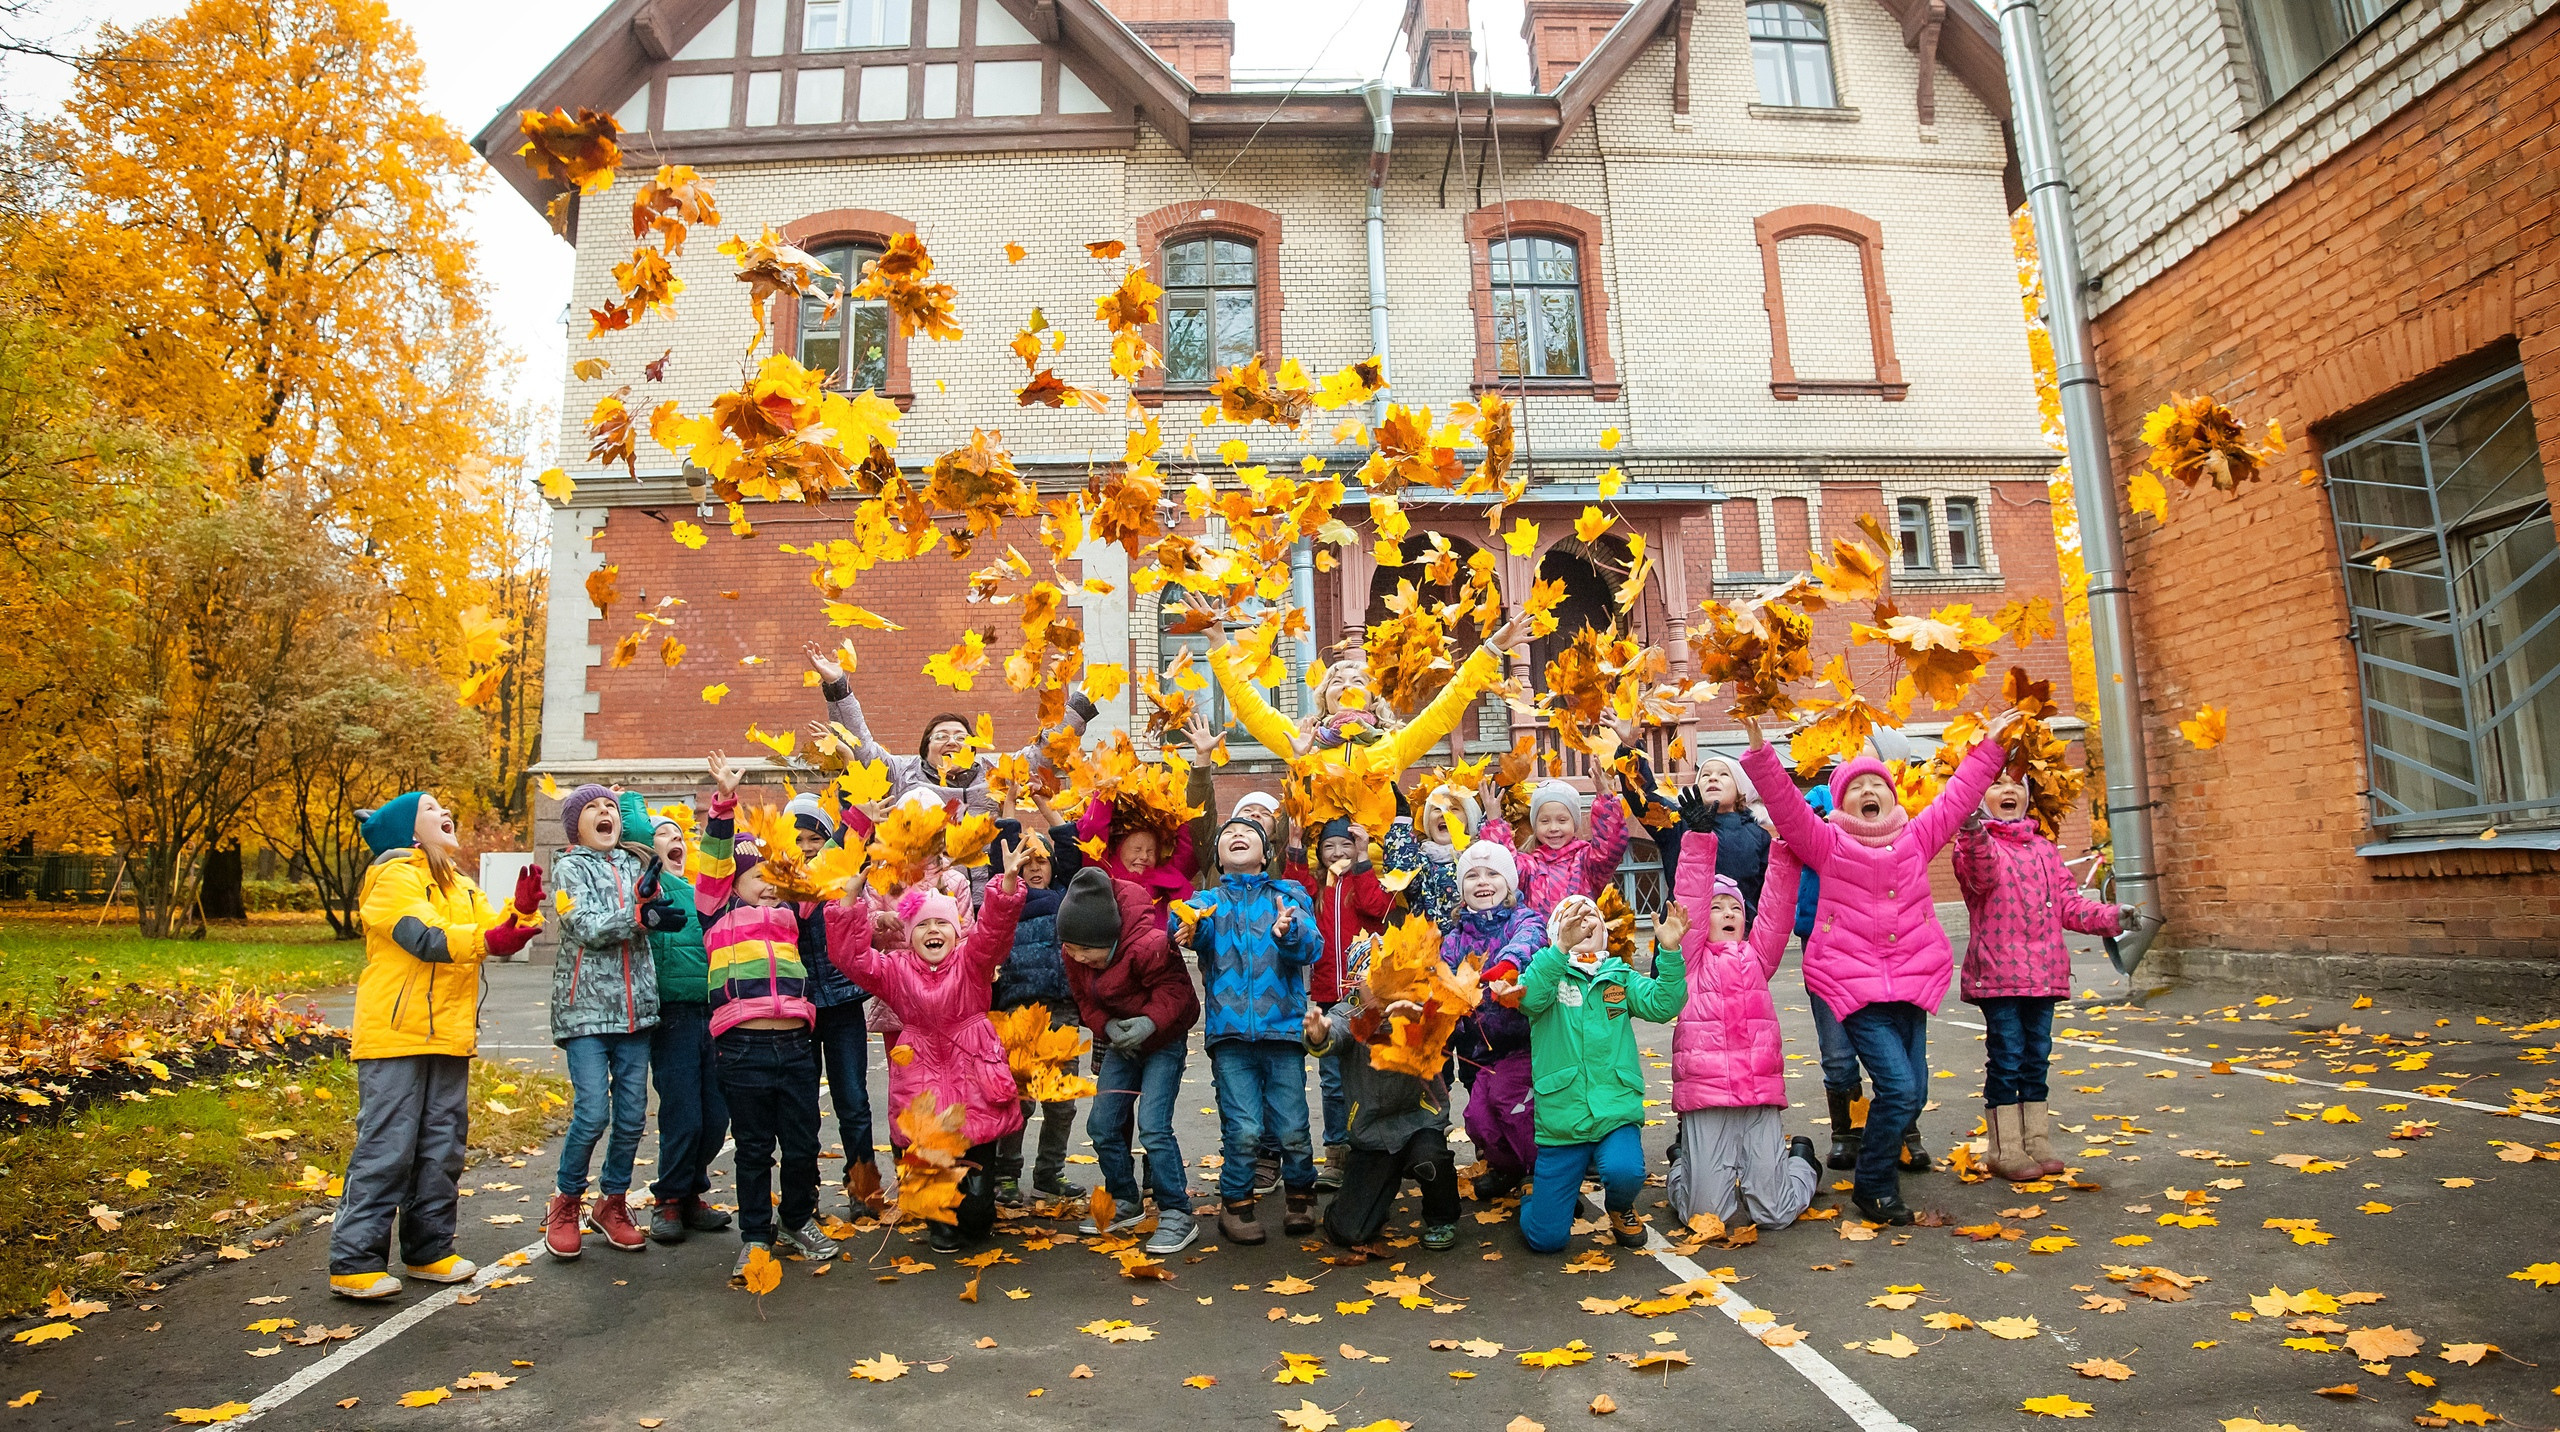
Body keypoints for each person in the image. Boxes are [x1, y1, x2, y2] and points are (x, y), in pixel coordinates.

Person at [1739, 709, 2022, 1225]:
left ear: (1892, 796)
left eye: (1878, 784)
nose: (1870, 791)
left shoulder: (1917, 839)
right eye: (1857, 786)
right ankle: (1873, 1186)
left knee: (1916, 1092)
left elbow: (1957, 799)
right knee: (1899, 1087)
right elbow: (1786, 808)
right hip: (1856, 990)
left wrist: (1991, 749)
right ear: (1841, 800)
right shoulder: (1827, 843)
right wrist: (1761, 756)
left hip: (1911, 986)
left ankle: (1877, 1162)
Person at [330, 792, 541, 1300]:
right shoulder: (391, 879)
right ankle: (354, 1260)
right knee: (388, 1147)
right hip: (395, 1035)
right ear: (407, 830)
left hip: (448, 1035)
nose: (444, 810)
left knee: (442, 1145)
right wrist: (492, 938)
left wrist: (521, 913)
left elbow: (490, 928)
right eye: (429, 807)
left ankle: (428, 1249)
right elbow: (426, 937)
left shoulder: (462, 885)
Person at [693, 755, 854, 1275]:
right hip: (742, 1048)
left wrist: (858, 816)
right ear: (734, 882)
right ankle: (756, 1235)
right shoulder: (716, 912)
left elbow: (829, 861)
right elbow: (716, 861)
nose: (769, 884)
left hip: (794, 1046)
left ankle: (797, 1217)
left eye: (776, 875)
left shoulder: (792, 910)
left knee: (804, 1142)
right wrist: (723, 805)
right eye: (758, 876)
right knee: (754, 1148)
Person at [835, 841, 1035, 1251]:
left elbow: (994, 934)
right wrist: (850, 901)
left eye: (941, 924)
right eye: (923, 925)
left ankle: (977, 1204)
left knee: (977, 1205)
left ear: (956, 930)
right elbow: (851, 958)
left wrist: (1008, 883)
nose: (933, 931)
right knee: (931, 1160)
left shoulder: (972, 961)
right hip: (921, 1074)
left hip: (973, 1070)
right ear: (909, 936)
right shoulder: (894, 970)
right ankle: (937, 1213)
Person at [1953, 768, 2134, 1181]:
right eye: (1996, 784)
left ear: (2028, 794)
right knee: (2007, 1058)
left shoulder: (2045, 850)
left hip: (2045, 973)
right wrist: (1971, 828)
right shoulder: (1975, 847)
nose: (2008, 790)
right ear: (1981, 798)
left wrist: (2112, 916)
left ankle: (2036, 1139)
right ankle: (2005, 1147)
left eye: (2016, 783)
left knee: (2036, 1059)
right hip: (1999, 975)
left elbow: (2070, 904)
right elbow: (1981, 876)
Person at [1656, 837, 1821, 1231]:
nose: (1728, 912)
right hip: (1707, 1097)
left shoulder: (1757, 958)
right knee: (1705, 1219)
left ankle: (1800, 1161)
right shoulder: (1691, 961)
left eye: (1734, 908)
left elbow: (1777, 910)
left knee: (1775, 1214)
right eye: (1716, 908)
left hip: (1757, 1094)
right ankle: (1683, 1163)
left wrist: (1785, 849)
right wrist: (1696, 843)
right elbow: (1691, 899)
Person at [1175, 815, 1322, 1246]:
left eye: (1249, 833)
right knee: (1243, 1129)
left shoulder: (1288, 894)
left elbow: (1312, 946)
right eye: (1228, 835)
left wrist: (1289, 931)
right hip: (1231, 1036)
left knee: (1293, 1126)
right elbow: (1185, 925)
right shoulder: (1208, 902)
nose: (1238, 836)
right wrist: (1187, 927)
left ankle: (1300, 1196)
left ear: (1266, 852)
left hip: (1283, 1032)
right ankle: (1236, 1204)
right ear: (1218, 857)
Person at [1514, 894, 1684, 1254]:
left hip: (1614, 1108)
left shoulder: (1618, 976)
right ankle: (1533, 1196)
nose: (1585, 922)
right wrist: (1560, 948)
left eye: (1591, 915)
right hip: (1563, 1119)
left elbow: (1663, 1004)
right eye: (1573, 917)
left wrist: (1668, 953)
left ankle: (1620, 1206)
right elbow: (1529, 999)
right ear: (1556, 932)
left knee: (1625, 1171)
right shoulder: (1547, 973)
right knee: (1546, 1240)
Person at [547, 784, 669, 1258]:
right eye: (593, 807)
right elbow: (584, 926)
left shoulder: (636, 864)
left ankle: (612, 1202)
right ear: (574, 824)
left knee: (633, 1116)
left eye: (611, 808)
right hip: (585, 1013)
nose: (605, 813)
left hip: (636, 1013)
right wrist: (640, 915)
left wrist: (657, 913)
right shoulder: (568, 868)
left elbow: (650, 909)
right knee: (594, 1110)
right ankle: (567, 1199)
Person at [1057, 866, 1203, 1255]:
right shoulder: (1074, 949)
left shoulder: (1150, 945)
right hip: (1121, 1042)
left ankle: (1177, 1211)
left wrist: (1149, 1023)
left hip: (1163, 1043)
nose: (1078, 958)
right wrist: (1106, 1024)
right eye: (1072, 951)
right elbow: (1084, 1000)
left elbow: (1182, 997)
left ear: (1111, 939)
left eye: (1087, 952)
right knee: (1103, 1123)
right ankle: (1126, 1198)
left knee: (1154, 1126)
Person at [619, 795, 731, 1246]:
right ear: (649, 846)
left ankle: (691, 1194)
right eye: (664, 834)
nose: (674, 839)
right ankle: (668, 1198)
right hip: (674, 1015)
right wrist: (628, 800)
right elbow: (632, 831)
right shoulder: (649, 890)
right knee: (683, 1112)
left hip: (718, 1010)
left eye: (681, 834)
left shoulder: (707, 890)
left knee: (716, 1114)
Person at [805, 644, 1091, 817]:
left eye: (960, 737)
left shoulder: (996, 773)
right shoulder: (900, 773)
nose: (952, 742)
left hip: (989, 899)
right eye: (941, 736)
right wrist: (838, 687)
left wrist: (1082, 703)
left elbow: (1045, 753)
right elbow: (860, 747)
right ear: (925, 748)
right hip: (926, 903)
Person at [1303, 976, 1461, 1252]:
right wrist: (1318, 1035)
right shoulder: (1348, 1013)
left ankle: (1442, 1219)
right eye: (1371, 982)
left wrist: (1420, 1018)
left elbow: (1445, 1023)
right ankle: (1365, 1203)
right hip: (1372, 1132)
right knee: (1350, 1232)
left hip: (1419, 1122)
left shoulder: (1419, 1002)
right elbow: (1334, 1033)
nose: (1381, 989)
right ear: (1356, 984)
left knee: (1432, 1159)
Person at [1440, 841, 1543, 1204]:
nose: (1482, 882)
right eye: (1472, 875)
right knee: (1480, 1119)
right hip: (1475, 1049)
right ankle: (1507, 1167)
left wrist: (1510, 964)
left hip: (1518, 1043)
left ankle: (1536, 1173)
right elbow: (1444, 988)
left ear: (1510, 882)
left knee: (1517, 1113)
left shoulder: (1523, 919)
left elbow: (1531, 938)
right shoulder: (1453, 941)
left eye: (1492, 873)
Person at [987, 828, 1084, 1206]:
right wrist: (1010, 798)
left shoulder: (1065, 897)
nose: (1034, 868)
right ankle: (1006, 1175)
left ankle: (1049, 1173)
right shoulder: (1009, 901)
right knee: (1020, 1100)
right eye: (1026, 862)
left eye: (1042, 860)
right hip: (1019, 1011)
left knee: (1062, 1103)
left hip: (1062, 1010)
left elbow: (1071, 847)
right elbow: (1003, 849)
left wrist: (1044, 803)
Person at [1299, 818, 1392, 1191]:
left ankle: (1370, 1146)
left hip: (1363, 993)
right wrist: (1293, 847)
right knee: (1333, 1079)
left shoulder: (1363, 881)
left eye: (1346, 846)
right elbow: (1294, 890)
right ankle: (1337, 1149)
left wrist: (1365, 861)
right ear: (1319, 855)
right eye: (1329, 847)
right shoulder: (1318, 888)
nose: (1338, 853)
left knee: (1370, 1073)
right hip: (1326, 991)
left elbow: (1379, 907)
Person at [1494, 778, 1631, 917]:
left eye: (1562, 820)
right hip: (1538, 937)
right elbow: (1502, 864)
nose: (1553, 828)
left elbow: (1610, 846)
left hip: (1581, 936)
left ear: (1574, 823)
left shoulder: (1586, 862)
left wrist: (1605, 799)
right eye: (1545, 821)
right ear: (1535, 825)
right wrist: (1494, 822)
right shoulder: (1529, 866)